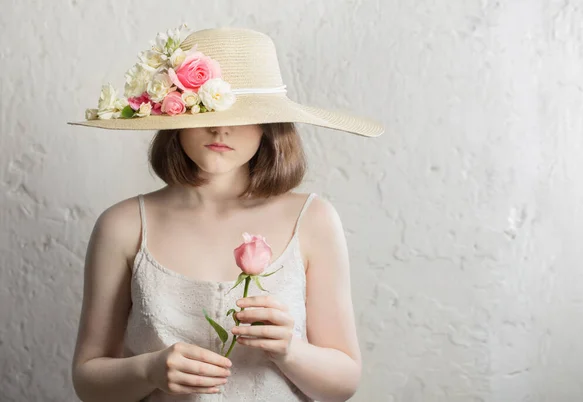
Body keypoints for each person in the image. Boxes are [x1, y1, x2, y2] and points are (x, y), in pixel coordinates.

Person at [68, 25, 384, 402]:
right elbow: (88, 380)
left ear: (269, 124)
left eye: (243, 113)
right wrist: (149, 369)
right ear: (176, 116)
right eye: (208, 109)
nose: (220, 128)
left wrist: (289, 350)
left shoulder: (313, 220)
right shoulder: (123, 225)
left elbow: (344, 383)